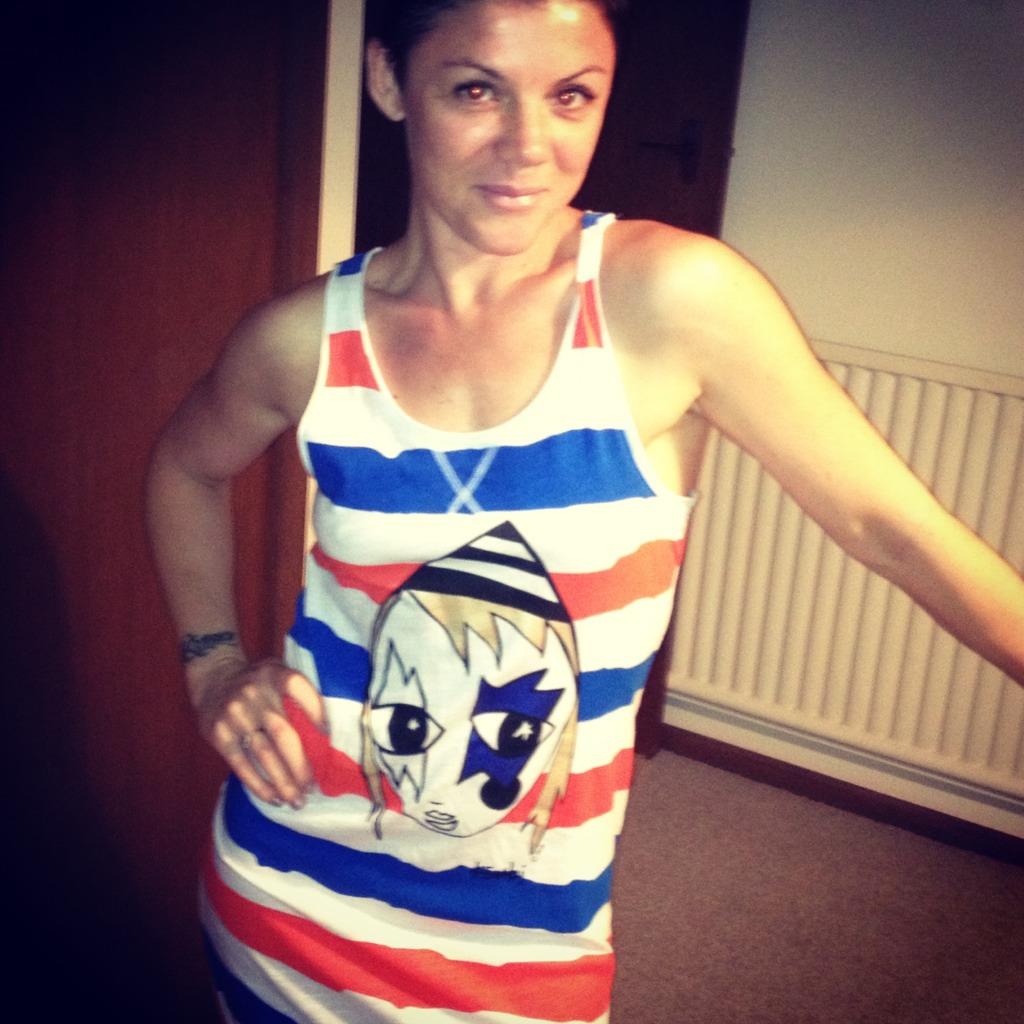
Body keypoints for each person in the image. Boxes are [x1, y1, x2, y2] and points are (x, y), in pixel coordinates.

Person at [145, 1, 1024, 1021]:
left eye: (570, 96)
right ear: (389, 82)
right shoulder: (303, 339)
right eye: (476, 89)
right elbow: (184, 468)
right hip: (285, 893)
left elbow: (894, 529)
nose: (529, 145)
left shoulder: (669, 298)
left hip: (526, 941)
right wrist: (212, 664)